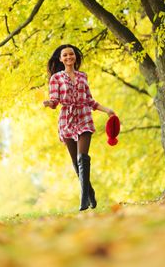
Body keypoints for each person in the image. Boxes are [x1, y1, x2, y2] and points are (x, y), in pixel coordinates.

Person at [43, 44, 115, 211]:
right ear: (60, 59)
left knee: (83, 157)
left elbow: (90, 100)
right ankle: (90, 192)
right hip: (66, 118)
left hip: (84, 116)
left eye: (71, 54)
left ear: (75, 57)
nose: (69, 57)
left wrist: (107, 110)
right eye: (65, 55)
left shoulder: (83, 76)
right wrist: (49, 103)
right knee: (76, 162)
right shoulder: (56, 78)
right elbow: (54, 100)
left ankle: (83, 200)